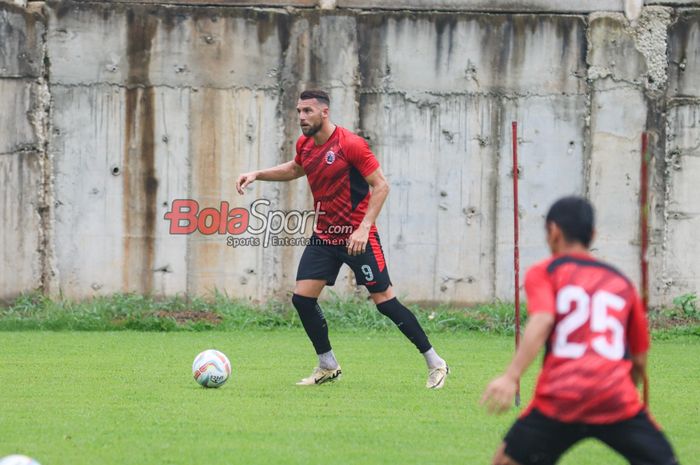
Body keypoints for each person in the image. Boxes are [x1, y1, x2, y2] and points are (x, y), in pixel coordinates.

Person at [236, 89, 449, 389]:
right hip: (324, 237)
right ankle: (327, 364)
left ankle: (435, 362)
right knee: (302, 299)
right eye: (298, 111)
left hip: (357, 237)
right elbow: (297, 168)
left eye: (307, 111)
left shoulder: (351, 144)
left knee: (385, 302)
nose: (301, 117)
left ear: (324, 112)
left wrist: (364, 228)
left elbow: (382, 186)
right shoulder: (305, 144)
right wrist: (257, 173)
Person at [481, 196, 679, 465]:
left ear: (553, 231)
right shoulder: (622, 283)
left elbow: (542, 319)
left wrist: (511, 376)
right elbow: (640, 359)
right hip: (615, 397)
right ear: (593, 234)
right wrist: (621, 399)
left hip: (561, 396)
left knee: (504, 460)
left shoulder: (546, 271)